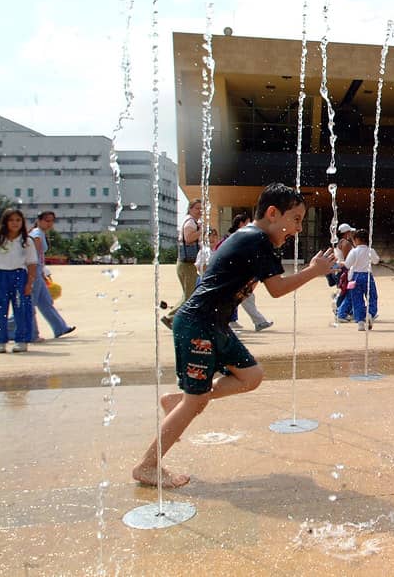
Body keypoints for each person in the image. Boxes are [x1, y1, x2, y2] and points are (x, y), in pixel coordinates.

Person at [132, 183, 337, 488]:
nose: (298, 228)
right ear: (272, 213)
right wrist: (313, 270)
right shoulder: (256, 240)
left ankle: (181, 400)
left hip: (213, 325)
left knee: (251, 376)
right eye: (295, 219)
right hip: (198, 325)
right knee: (195, 402)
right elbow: (277, 289)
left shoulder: (253, 239)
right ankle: (147, 465)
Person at [222, 212, 273, 332]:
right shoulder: (238, 237)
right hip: (235, 274)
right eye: (248, 222)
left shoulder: (235, 236)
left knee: (244, 297)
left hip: (236, 274)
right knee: (245, 297)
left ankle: (255, 321)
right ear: (241, 224)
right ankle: (258, 322)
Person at [28, 211, 74, 340]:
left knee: (45, 302)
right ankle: (28, 332)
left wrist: (43, 272)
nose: (49, 224)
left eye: (52, 221)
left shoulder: (40, 233)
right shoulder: (37, 234)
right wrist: (35, 272)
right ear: (39, 221)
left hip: (38, 271)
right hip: (34, 272)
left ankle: (60, 328)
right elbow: (34, 256)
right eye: (47, 221)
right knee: (30, 304)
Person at [0, 208, 37, 353]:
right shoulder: (0, 239)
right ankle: (0, 341)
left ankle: (21, 340)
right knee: (0, 309)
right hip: (0, 275)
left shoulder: (27, 241)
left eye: (18, 220)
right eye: (11, 220)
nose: (15, 223)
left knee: (21, 309)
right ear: (5, 222)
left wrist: (29, 283)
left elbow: (32, 263)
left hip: (19, 276)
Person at [162, 199, 202, 328]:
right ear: (190, 209)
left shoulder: (192, 222)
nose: (200, 211)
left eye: (201, 208)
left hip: (186, 263)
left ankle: (179, 319)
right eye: (197, 208)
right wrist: (201, 231)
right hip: (187, 264)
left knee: (189, 293)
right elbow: (189, 238)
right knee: (190, 295)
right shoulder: (190, 222)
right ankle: (170, 317)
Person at [345, 229, 380, 331]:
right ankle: (370, 313)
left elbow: (347, 264)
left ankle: (360, 322)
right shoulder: (370, 250)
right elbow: (376, 261)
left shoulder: (354, 251)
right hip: (368, 275)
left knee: (357, 299)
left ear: (357, 239)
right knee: (372, 297)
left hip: (355, 277)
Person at [333, 223, 358, 322]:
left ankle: (345, 311)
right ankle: (340, 312)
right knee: (345, 292)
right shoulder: (345, 243)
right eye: (350, 232)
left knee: (345, 291)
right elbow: (348, 259)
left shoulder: (341, 242)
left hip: (339, 268)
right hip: (344, 269)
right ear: (346, 233)